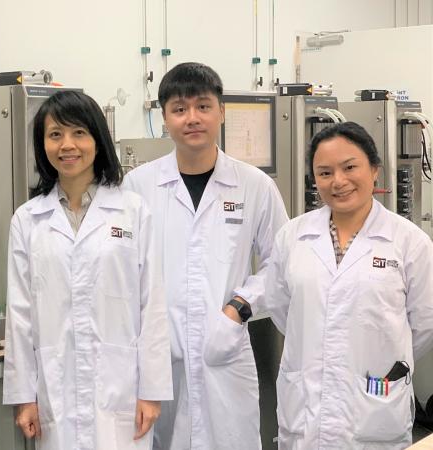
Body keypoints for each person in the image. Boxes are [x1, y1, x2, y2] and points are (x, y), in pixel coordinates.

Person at [123, 62, 288, 449]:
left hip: (224, 353)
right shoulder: (139, 186)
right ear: (164, 118)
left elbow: (281, 263)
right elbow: (124, 270)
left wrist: (240, 307)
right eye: (180, 109)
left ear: (221, 112)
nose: (192, 118)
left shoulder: (254, 185)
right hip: (159, 357)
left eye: (203, 106)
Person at [2, 90, 172, 450]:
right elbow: (20, 314)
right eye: (55, 135)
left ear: (97, 139)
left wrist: (152, 391)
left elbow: (152, 304)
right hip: (55, 385)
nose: (67, 145)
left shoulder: (133, 211)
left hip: (121, 387)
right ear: (42, 145)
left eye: (79, 132)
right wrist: (23, 395)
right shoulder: (28, 219)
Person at [266, 122, 433, 448]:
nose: (338, 181)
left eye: (350, 167)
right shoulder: (293, 236)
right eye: (325, 172)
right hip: (305, 408)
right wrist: (324, 345)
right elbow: (280, 306)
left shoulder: (409, 242)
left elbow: (424, 323)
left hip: (374, 406)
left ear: (374, 170)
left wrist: (380, 357)